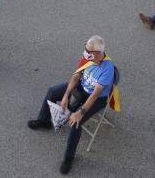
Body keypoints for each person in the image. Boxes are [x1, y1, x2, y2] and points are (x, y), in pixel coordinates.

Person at [27, 35, 115, 174]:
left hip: (96, 98)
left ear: (98, 53)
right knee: (52, 92)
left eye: (89, 52)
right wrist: (66, 95)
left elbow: (95, 95)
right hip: (82, 87)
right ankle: (44, 121)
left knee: (76, 123)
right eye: (85, 49)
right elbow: (75, 77)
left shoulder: (107, 69)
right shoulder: (88, 58)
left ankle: (69, 158)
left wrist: (80, 112)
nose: (85, 54)